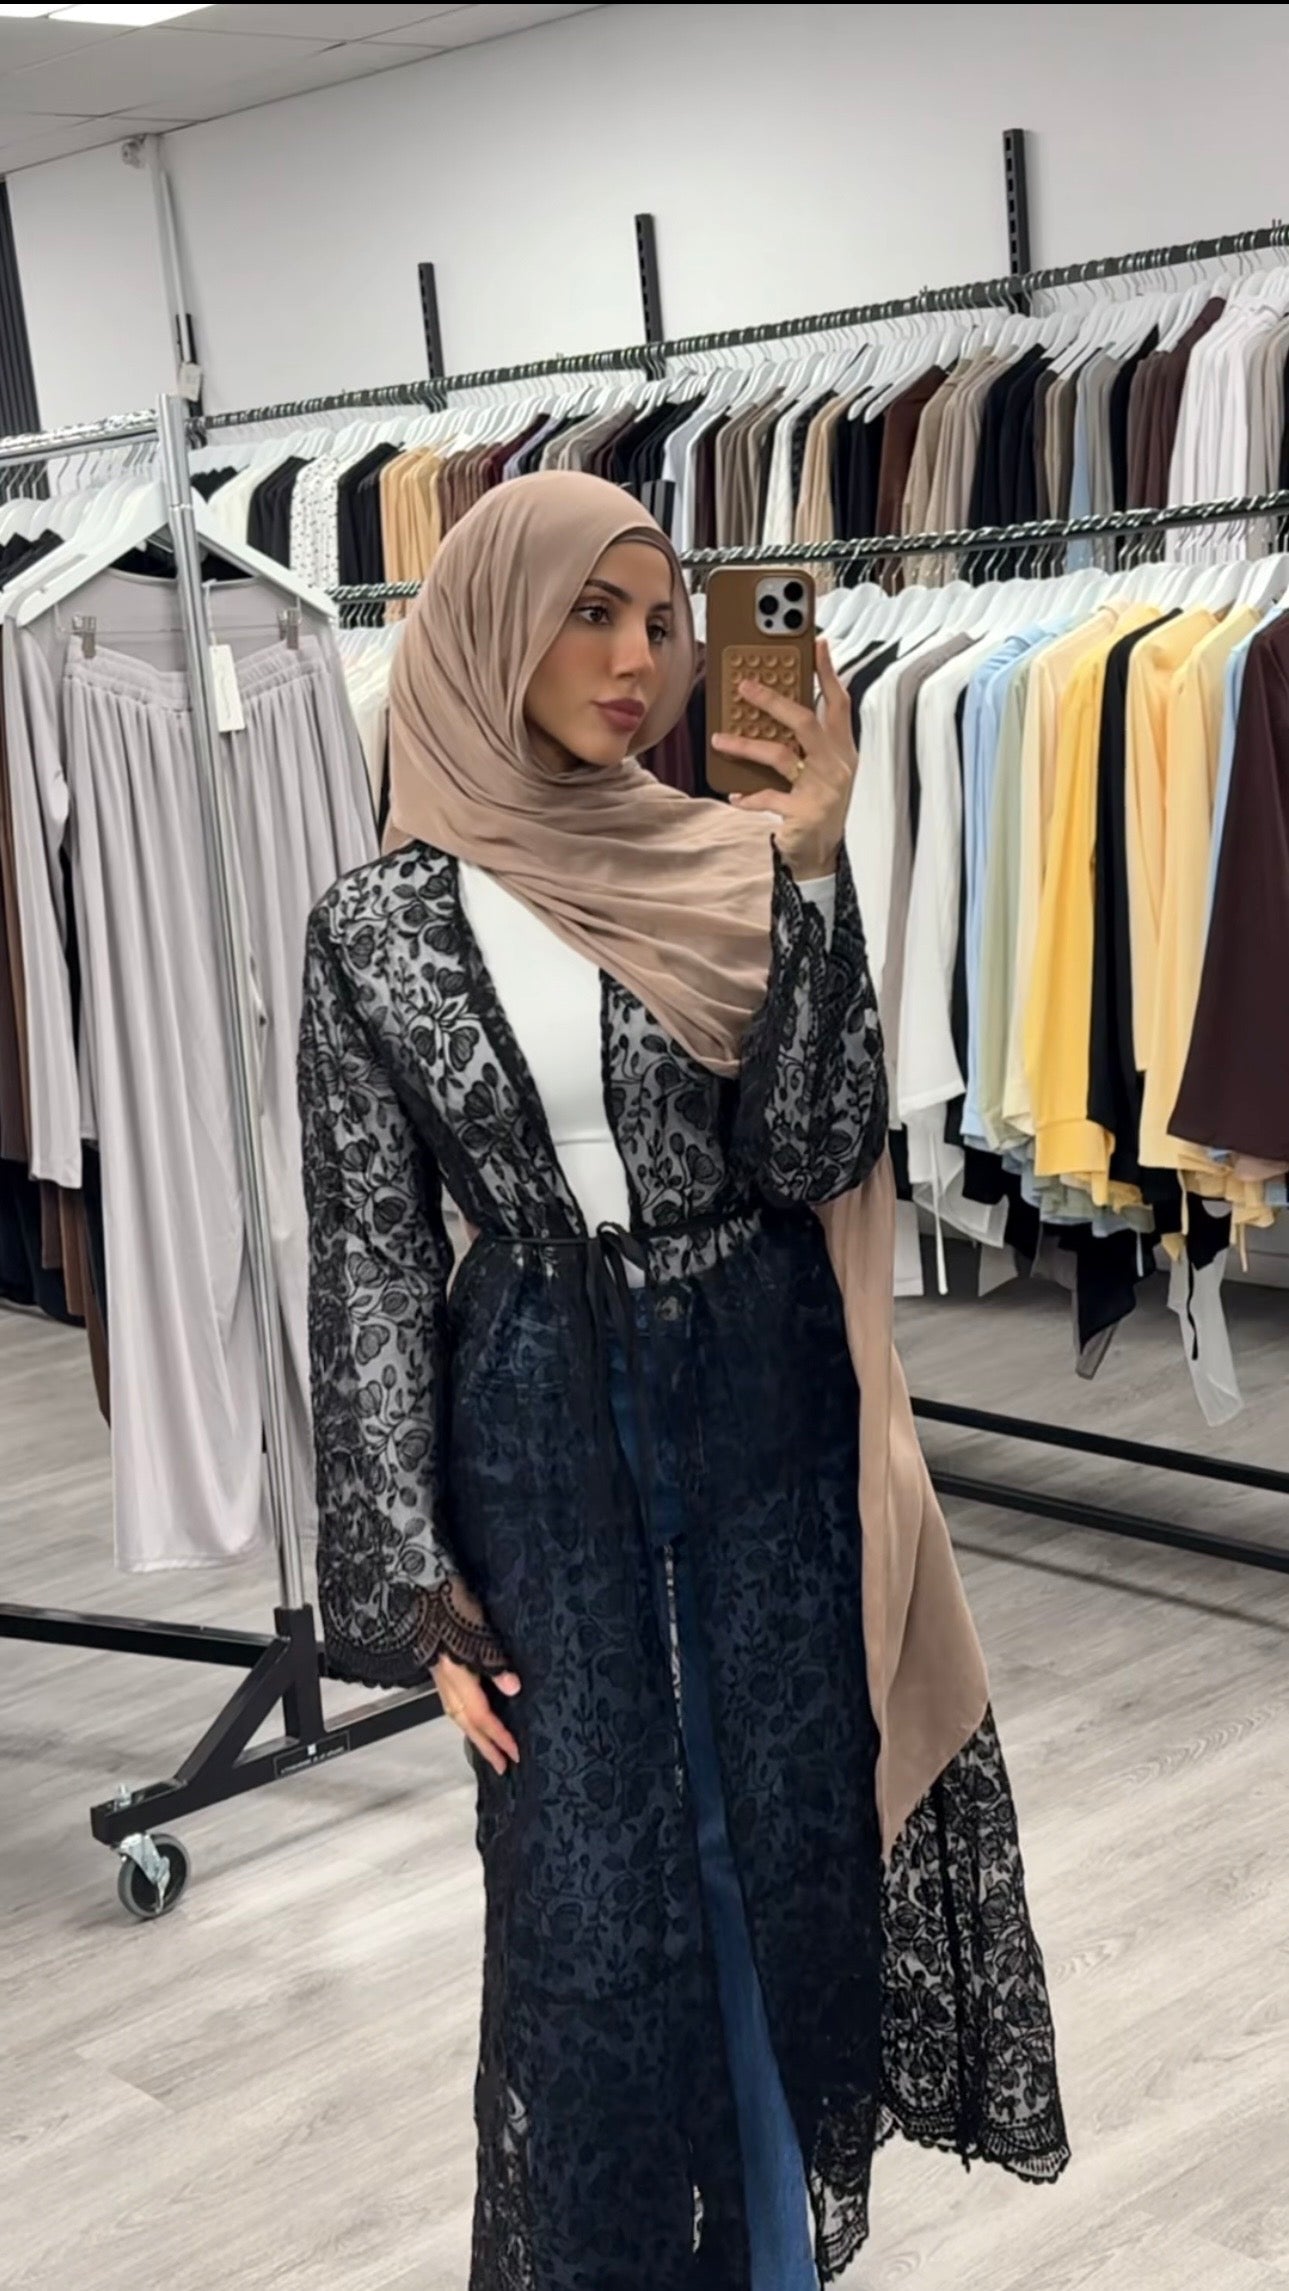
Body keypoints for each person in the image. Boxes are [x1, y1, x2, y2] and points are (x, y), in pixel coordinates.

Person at [297, 471, 1069, 2291]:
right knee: (580, 1887)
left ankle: (775, 2252)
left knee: (773, 1836)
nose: (637, 658)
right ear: (489, 626)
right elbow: (369, 1257)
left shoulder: (728, 859)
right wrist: (407, 1582)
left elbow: (810, 1149)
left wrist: (813, 866)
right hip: (535, 1431)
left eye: (658, 619)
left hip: (758, 1402)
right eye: (589, 612)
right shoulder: (376, 928)